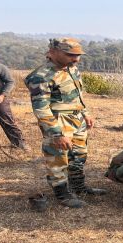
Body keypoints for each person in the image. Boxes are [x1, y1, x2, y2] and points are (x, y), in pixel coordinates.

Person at [24, 38, 106, 211]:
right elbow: (41, 108)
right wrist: (56, 134)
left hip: (77, 120)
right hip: (58, 121)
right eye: (70, 55)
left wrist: (85, 112)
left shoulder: (72, 69)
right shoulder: (41, 76)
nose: (75, 59)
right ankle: (63, 194)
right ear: (53, 52)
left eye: (78, 55)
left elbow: (77, 95)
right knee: (58, 158)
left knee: (79, 155)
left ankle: (78, 187)